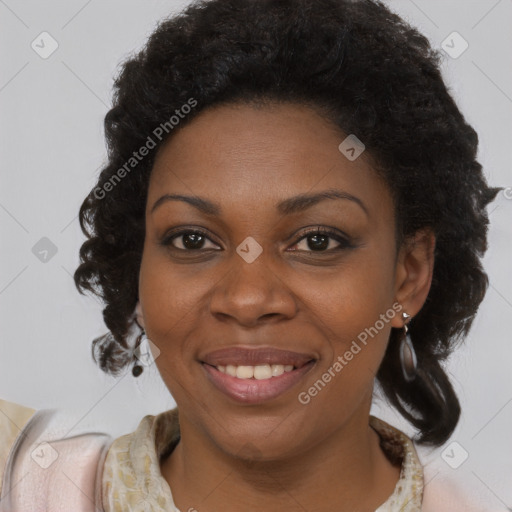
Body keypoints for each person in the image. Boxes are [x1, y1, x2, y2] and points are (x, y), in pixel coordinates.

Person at [0, 0, 503, 510]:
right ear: (138, 269)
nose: (247, 299)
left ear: (409, 275)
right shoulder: (25, 485)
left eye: (317, 240)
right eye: (192, 240)